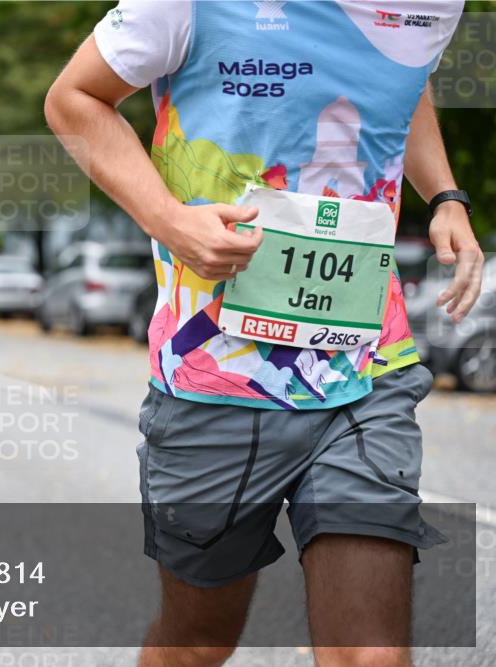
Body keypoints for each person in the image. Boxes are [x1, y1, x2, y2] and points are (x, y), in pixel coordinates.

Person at [45, 2, 483, 665]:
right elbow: (72, 99)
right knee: (198, 644)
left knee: (372, 654)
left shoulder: (432, 6)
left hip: (363, 367)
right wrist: (170, 221)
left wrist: (446, 194)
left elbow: (405, 78)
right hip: (215, 374)